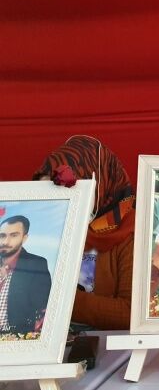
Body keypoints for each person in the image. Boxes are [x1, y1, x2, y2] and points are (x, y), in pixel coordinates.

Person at [34, 135, 135, 330]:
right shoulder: (34, 230)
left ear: (101, 186)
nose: (56, 203)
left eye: (67, 192)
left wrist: (57, 300)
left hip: (107, 346)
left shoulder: (130, 234)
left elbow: (131, 313)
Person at [0, 216, 52, 335]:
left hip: (16, 337)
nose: (5, 242)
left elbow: (43, 309)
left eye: (14, 235)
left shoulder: (36, 264)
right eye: (2, 236)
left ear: (24, 238)